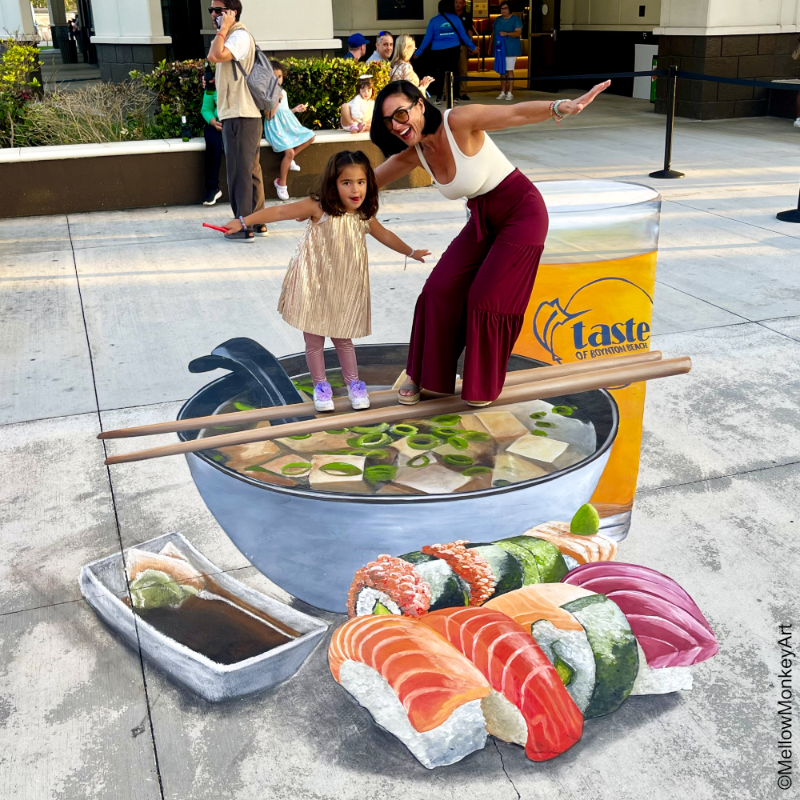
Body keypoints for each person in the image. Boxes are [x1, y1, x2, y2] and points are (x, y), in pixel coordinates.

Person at [369, 79, 610, 405]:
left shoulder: (459, 122)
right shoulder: (416, 155)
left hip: (523, 213)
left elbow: (514, 114)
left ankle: (480, 381)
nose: (397, 126)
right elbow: (365, 184)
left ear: (420, 105)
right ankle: (424, 373)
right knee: (438, 290)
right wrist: (320, 204)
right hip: (484, 218)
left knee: (485, 299)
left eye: (401, 114)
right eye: (389, 121)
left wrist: (559, 107)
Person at [222, 151, 430, 412]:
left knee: (343, 339)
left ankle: (354, 384)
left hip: (344, 287)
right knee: (314, 341)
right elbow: (281, 212)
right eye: (347, 183)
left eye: (361, 182)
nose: (355, 189)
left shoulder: (362, 215)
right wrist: (244, 221)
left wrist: (410, 252)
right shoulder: (318, 207)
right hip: (313, 284)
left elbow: (385, 235)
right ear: (333, 184)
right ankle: (321, 387)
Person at [207, 0, 268, 241]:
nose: (213, 14)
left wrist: (224, 27)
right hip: (242, 113)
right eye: (211, 9)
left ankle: (242, 226)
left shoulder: (237, 35)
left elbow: (214, 55)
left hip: (240, 114)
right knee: (250, 171)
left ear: (231, 13)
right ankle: (258, 220)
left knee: (239, 172)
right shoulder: (234, 36)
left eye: (218, 10)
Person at [264, 60, 316, 201]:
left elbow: (284, 112)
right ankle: (281, 184)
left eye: (279, 76)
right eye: (274, 77)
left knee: (310, 136)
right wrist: (276, 100)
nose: (277, 79)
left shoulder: (283, 92)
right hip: (275, 127)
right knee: (289, 152)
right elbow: (269, 116)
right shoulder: (266, 93)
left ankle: (290, 159)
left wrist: (295, 110)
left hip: (287, 125)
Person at [415, 0, 477, 104]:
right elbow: (463, 35)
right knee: (454, 71)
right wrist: (473, 47)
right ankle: (455, 97)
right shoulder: (456, 19)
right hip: (454, 49)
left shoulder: (433, 21)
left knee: (439, 73)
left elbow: (427, 38)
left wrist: (418, 52)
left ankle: (439, 97)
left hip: (438, 50)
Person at [201, 68, 224, 206]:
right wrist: (213, 121)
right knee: (212, 145)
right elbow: (206, 109)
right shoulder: (210, 89)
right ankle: (212, 188)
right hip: (217, 124)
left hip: (235, 123)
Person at [494, 2, 522, 100]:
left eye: (505, 8)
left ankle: (510, 92)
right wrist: (490, 46)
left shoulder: (515, 19)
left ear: (509, 9)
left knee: (509, 70)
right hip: (499, 48)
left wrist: (506, 34)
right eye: (501, 8)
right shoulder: (497, 19)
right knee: (502, 71)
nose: (503, 10)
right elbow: (493, 33)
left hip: (511, 48)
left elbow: (518, 33)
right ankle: (503, 91)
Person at [454, 0, 476, 101]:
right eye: (456, 2)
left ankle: (463, 92)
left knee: (463, 70)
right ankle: (448, 92)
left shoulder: (467, 15)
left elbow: (469, 31)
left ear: (463, 4)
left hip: (462, 45)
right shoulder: (449, 14)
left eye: (460, 2)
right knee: (450, 70)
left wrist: (470, 46)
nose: (458, 4)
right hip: (450, 45)